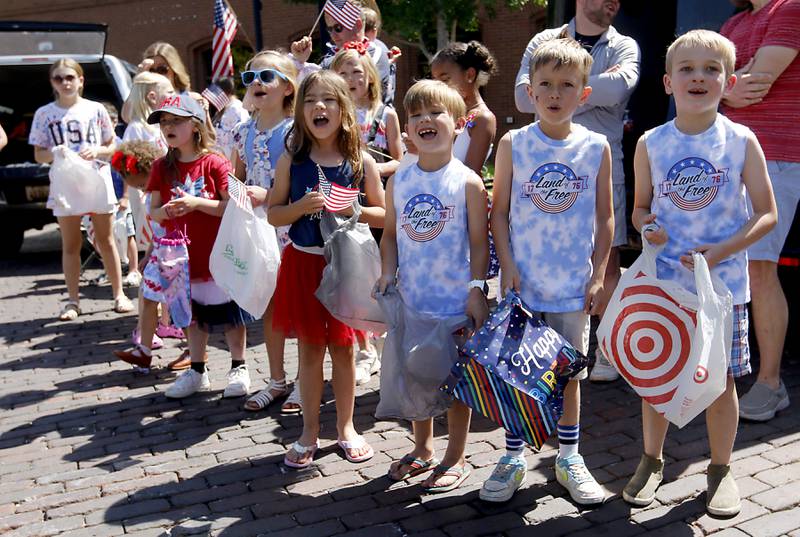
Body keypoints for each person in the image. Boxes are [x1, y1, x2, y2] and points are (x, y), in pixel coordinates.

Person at [623, 30, 777, 516]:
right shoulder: (651, 142)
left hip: (723, 290)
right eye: (687, 69)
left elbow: (766, 213)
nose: (699, 77)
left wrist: (721, 251)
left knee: (721, 382)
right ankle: (651, 460)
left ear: (728, 81)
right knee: (657, 377)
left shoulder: (740, 139)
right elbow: (640, 208)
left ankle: (721, 469)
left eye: (711, 69)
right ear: (668, 82)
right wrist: (648, 226)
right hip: (666, 286)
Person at [486, 39, 613, 505]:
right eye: (545, 85)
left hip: (573, 288)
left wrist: (598, 274)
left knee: (570, 375)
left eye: (567, 85)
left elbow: (605, 218)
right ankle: (514, 455)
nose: (555, 93)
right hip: (525, 287)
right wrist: (509, 265)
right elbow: (498, 212)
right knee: (518, 375)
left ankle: (569, 456)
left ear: (584, 94)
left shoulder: (595, 146)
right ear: (530, 91)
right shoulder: (514, 143)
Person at [515, 0, 640, 382]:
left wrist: (569, 87)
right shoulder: (544, 38)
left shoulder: (625, 46)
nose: (611, 3)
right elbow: (521, 99)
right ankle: (544, 349)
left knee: (609, 253)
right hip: (544, 162)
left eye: (570, 85)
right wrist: (579, 86)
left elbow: (618, 89)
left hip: (600, 161)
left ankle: (607, 347)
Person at [377, 79, 489, 493]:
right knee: (415, 376)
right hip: (413, 300)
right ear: (407, 129)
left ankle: (455, 455)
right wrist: (388, 271)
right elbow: (389, 236)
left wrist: (477, 289)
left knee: (456, 383)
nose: (426, 120)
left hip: (454, 303)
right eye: (416, 114)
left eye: (436, 112)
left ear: (459, 125)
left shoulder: (467, 182)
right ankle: (422, 447)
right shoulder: (400, 182)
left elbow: (480, 244)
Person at [268, 70, 384, 468]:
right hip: (304, 265)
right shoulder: (292, 160)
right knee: (311, 351)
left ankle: (347, 427)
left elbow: (384, 215)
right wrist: (300, 208)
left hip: (347, 265)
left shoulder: (359, 161)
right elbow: (273, 214)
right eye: (311, 99)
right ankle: (309, 431)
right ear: (300, 111)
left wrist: (354, 209)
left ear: (344, 109)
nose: (320, 106)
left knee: (345, 350)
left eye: (329, 99)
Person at [720, 0, 800, 422]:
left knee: (759, 267)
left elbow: (758, 81)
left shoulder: (789, 10)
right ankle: (724, 377)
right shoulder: (735, 21)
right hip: (731, 156)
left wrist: (722, 86)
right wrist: (726, 85)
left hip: (778, 156)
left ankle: (771, 384)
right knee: (729, 267)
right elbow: (718, 77)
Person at [145, 95, 254, 399]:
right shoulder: (161, 167)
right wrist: (165, 211)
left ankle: (238, 366)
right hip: (179, 258)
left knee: (231, 314)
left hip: (215, 253)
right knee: (191, 316)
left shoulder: (214, 161)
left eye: (175, 121)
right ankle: (197, 370)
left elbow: (228, 206)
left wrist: (195, 203)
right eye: (164, 122)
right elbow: (152, 209)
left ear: (194, 126)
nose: (168, 127)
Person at [28, 59, 134, 321]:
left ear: (80, 80)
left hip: (95, 178)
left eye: (70, 77)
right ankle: (73, 300)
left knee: (107, 239)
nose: (65, 83)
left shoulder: (96, 110)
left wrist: (97, 150)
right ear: (52, 82)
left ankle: (119, 293)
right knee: (71, 243)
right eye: (59, 78)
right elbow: (38, 154)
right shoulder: (44, 114)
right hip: (65, 183)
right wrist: (55, 152)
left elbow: (113, 147)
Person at [228, 50, 302, 413]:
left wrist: (269, 195)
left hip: (293, 228)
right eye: (249, 77)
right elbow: (236, 178)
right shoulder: (242, 130)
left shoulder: (296, 131)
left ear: (288, 87)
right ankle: (276, 379)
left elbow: (305, 186)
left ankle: (307, 379)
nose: (256, 83)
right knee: (269, 304)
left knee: (302, 304)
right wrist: (240, 196)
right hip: (258, 232)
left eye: (266, 76)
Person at [114, 73, 195, 373]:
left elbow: (173, 218)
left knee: (179, 303)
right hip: (160, 252)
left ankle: (193, 349)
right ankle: (144, 350)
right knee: (149, 299)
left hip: (177, 252)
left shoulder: (168, 176)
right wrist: (150, 253)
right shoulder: (153, 189)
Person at [330, 46, 400, 386]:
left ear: (371, 76)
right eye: (343, 73)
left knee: (380, 271)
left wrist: (370, 167)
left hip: (376, 199)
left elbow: (401, 160)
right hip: (344, 203)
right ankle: (363, 348)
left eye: (357, 72)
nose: (352, 79)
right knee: (353, 274)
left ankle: (386, 340)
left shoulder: (384, 114)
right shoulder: (335, 117)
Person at [290, 0, 394, 105]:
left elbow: (355, 93)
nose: (333, 36)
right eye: (330, 29)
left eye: (338, 28)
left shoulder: (375, 53)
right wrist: (299, 61)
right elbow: (308, 91)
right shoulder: (330, 59)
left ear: (357, 24)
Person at [431, 40, 498, 176]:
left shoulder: (482, 118)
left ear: (469, 75)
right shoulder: (448, 115)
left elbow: (470, 172)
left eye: (444, 80)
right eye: (435, 81)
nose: (438, 87)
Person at [209, 77, 250, 162]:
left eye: (217, 93)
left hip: (231, 163)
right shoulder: (221, 110)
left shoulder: (237, 109)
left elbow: (241, 139)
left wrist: (234, 166)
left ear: (226, 92)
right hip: (219, 162)